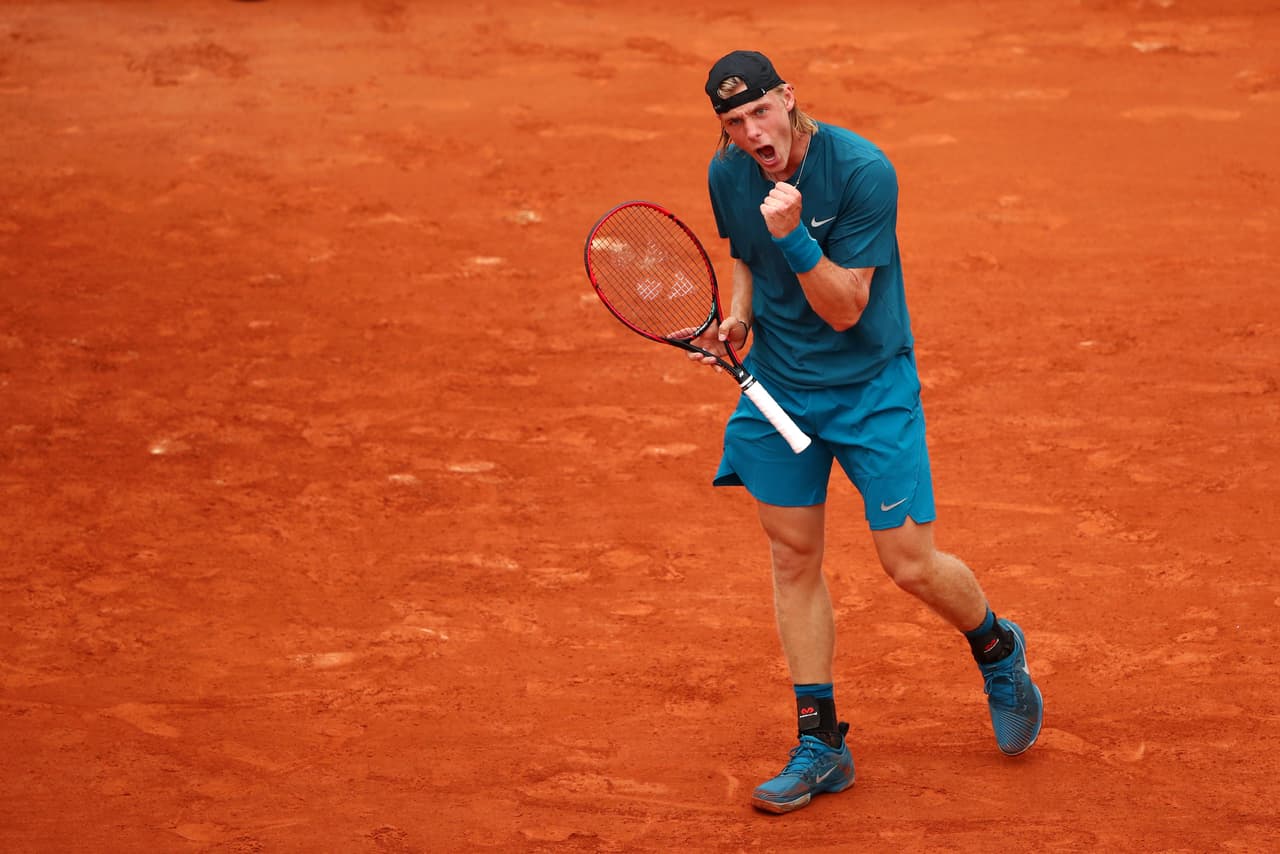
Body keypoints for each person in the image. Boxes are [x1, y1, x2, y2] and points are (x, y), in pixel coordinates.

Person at [689, 50, 1044, 814]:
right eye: (734, 123)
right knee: (793, 557)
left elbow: (847, 306)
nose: (753, 134)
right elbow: (745, 254)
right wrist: (741, 317)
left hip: (870, 389)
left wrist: (795, 239)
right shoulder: (728, 172)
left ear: (788, 98)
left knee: (909, 563)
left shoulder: (862, 172)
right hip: (781, 392)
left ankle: (995, 645)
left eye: (761, 112)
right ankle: (822, 744)